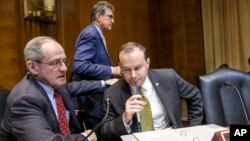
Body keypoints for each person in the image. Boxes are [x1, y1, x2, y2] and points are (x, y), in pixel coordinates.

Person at [0, 36, 116, 141]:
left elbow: (75, 87)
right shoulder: (24, 99)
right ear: (33, 67)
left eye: (64, 61)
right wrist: (85, 138)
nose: (64, 68)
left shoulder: (52, 83)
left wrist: (105, 83)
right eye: (55, 63)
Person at [101, 42, 204, 141]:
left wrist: (193, 130)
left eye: (137, 68)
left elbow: (195, 96)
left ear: (147, 63)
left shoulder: (168, 77)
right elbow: (105, 132)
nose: (133, 76)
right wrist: (124, 119)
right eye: (126, 70)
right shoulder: (112, 93)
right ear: (120, 67)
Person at [72, 1, 120, 139]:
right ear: (99, 16)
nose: (113, 20)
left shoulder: (96, 33)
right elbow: (80, 65)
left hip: (95, 98)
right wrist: (113, 69)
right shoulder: (91, 34)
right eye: (110, 17)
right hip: (91, 100)